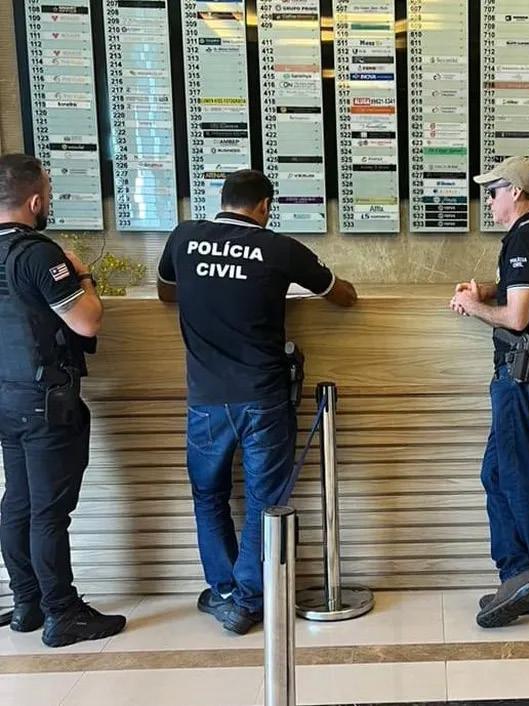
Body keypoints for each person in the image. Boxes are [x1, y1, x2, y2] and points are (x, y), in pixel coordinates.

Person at [157, 170, 357, 634]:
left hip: (206, 399)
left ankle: (223, 590)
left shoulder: (184, 238)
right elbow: (342, 296)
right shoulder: (279, 249)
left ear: (221, 199)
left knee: (209, 495)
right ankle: (248, 600)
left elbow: (167, 291)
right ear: (265, 206)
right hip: (263, 398)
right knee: (263, 501)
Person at [0, 154, 126, 647]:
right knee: (49, 511)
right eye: (48, 193)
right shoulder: (38, 254)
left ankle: (27, 604)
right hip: (44, 400)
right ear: (34, 201)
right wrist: (83, 276)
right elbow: (86, 322)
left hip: (6, 397)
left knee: (18, 501)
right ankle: (62, 612)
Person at [450, 156, 529, 628]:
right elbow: (525, 289)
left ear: (516, 192)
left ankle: (528, 577)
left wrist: (472, 305)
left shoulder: (523, 238)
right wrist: (487, 288)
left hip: (524, 377)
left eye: (494, 191)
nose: (489, 200)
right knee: (499, 473)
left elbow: (518, 318)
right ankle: (526, 577)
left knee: (517, 478)